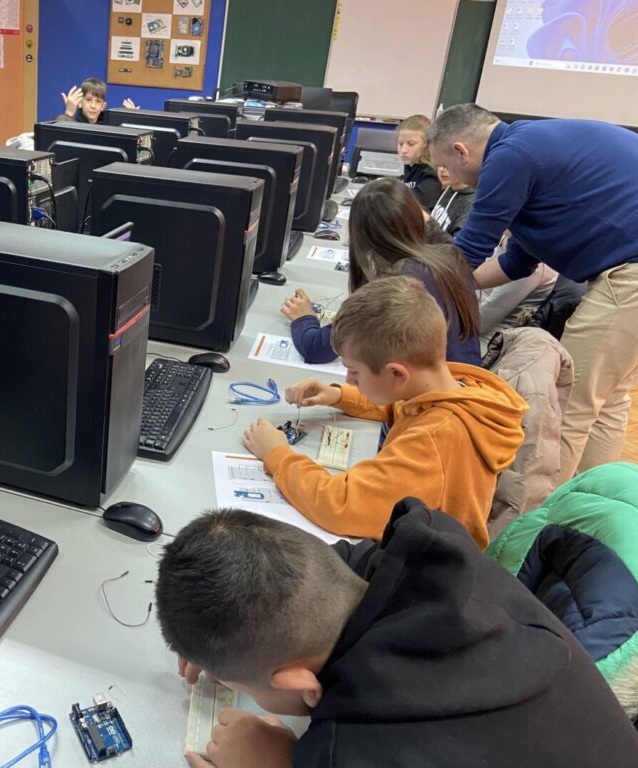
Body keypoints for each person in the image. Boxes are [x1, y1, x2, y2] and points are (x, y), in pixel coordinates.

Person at [158, 505, 638, 768]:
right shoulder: (431, 557)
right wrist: (228, 636)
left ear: (300, 682)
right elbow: (324, 566)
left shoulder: (353, 752)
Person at [428, 103, 638, 479]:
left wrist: (409, 291)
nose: (450, 177)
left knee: (565, 405)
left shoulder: (509, 156)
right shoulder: (531, 150)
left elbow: (470, 250)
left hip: (628, 277)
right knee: (606, 402)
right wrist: (459, 283)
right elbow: (515, 263)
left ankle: (544, 511)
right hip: (627, 273)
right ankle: (584, 503)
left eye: (446, 166)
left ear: (461, 151)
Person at [247, 276, 526, 548]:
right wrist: (339, 396)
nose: (349, 379)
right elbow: (403, 403)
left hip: (420, 568)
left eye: (354, 372)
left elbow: (341, 504)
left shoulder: (433, 440)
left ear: (397, 373)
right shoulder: (456, 388)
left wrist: (277, 455)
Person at [283, 177, 481, 366]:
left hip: (433, 387)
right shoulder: (450, 254)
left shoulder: (398, 286)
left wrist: (304, 317)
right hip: (467, 379)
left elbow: (315, 347)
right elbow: (435, 232)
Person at [397, 114, 441, 208]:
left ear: (426, 144)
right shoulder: (410, 166)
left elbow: (420, 201)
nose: (403, 150)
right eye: (400, 144)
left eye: (411, 144)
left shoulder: (430, 174)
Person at [54, 78, 136, 124]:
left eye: (98, 101)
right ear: (80, 103)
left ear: (103, 106)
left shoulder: (108, 127)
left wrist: (134, 119)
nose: (93, 106)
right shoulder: (71, 123)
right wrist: (68, 113)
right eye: (88, 100)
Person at [430, 164, 475, 236]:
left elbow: (458, 241)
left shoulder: (471, 202)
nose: (442, 169)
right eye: (440, 164)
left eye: (448, 164)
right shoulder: (449, 189)